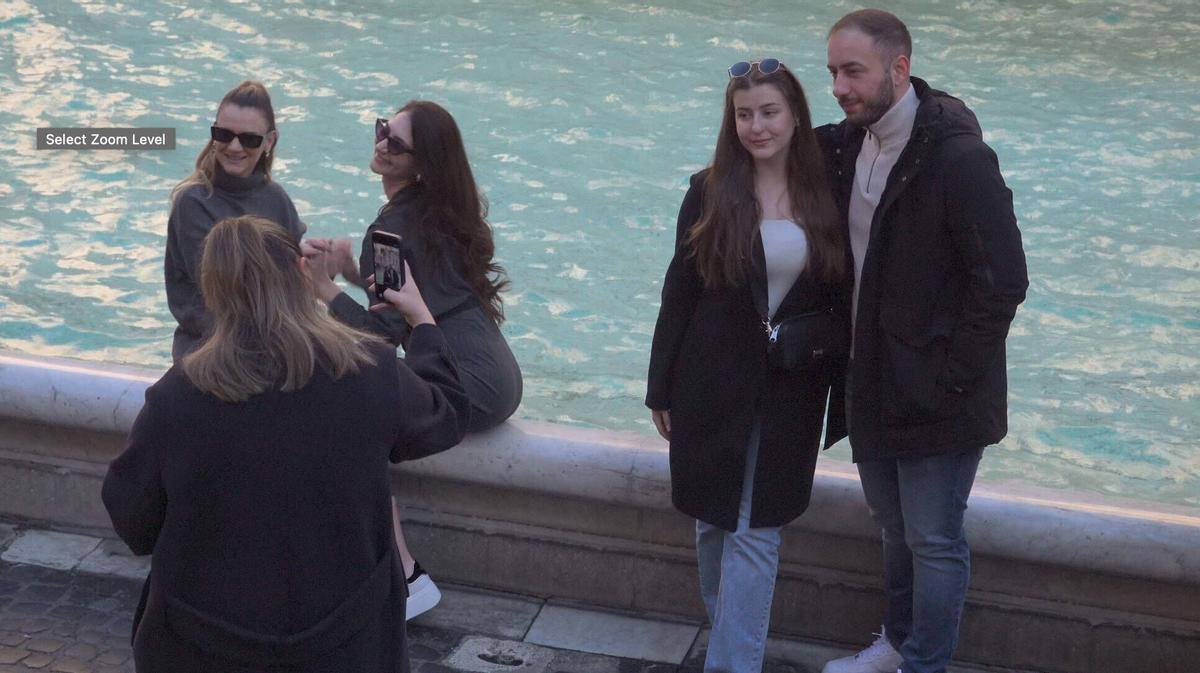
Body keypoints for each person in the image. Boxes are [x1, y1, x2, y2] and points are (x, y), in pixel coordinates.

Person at [102, 215, 470, 672]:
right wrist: (421, 319)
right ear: (300, 274)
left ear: (213, 290)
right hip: (348, 642)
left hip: (202, 644)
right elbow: (445, 414)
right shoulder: (370, 370)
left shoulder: (175, 398)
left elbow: (133, 521)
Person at [816, 10, 1028, 673]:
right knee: (895, 529)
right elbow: (764, 141)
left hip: (940, 394)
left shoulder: (961, 159)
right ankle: (897, 642)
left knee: (934, 538)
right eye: (832, 73)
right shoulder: (849, 144)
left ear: (899, 68)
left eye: (853, 71)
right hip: (870, 381)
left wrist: (950, 379)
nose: (841, 87)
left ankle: (923, 664)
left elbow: (1003, 283)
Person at [645, 59, 848, 673]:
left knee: (756, 533)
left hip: (792, 385)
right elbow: (678, 292)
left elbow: (847, 296)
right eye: (743, 115)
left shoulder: (830, 190)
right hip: (709, 380)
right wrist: (660, 387)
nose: (756, 127)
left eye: (769, 112)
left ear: (794, 115)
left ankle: (733, 664)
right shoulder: (709, 190)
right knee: (712, 527)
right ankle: (733, 642)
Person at [307, 100, 523, 620]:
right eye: (384, 130)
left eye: (397, 143)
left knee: (347, 423)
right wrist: (353, 271)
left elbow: (377, 343)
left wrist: (320, 290)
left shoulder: (389, 233)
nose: (382, 144)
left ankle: (404, 576)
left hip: (467, 383)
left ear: (420, 163)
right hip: (498, 376)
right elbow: (415, 294)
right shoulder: (436, 213)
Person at [164, 80, 306, 362]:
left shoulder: (277, 199)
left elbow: (297, 286)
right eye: (224, 134)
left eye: (249, 139)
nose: (234, 146)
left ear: (269, 141)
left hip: (271, 348)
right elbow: (223, 295)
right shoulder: (192, 202)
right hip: (209, 354)